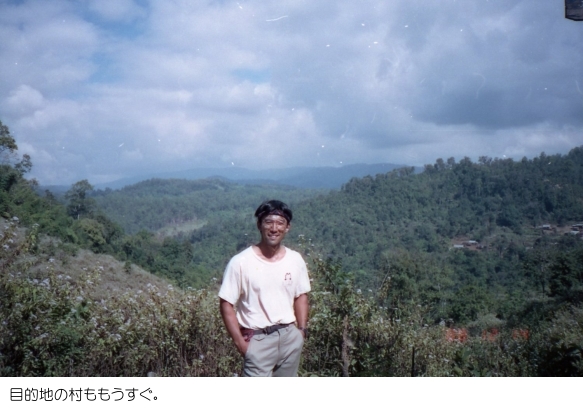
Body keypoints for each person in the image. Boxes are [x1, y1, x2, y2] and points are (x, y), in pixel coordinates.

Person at [218, 199, 310, 377]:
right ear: (259, 225)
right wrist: (241, 344)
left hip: (290, 338)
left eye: (280, 223)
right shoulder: (240, 262)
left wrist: (301, 331)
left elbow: (301, 295)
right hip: (258, 340)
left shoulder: (295, 259)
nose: (274, 228)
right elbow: (226, 304)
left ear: (287, 227)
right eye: (268, 222)